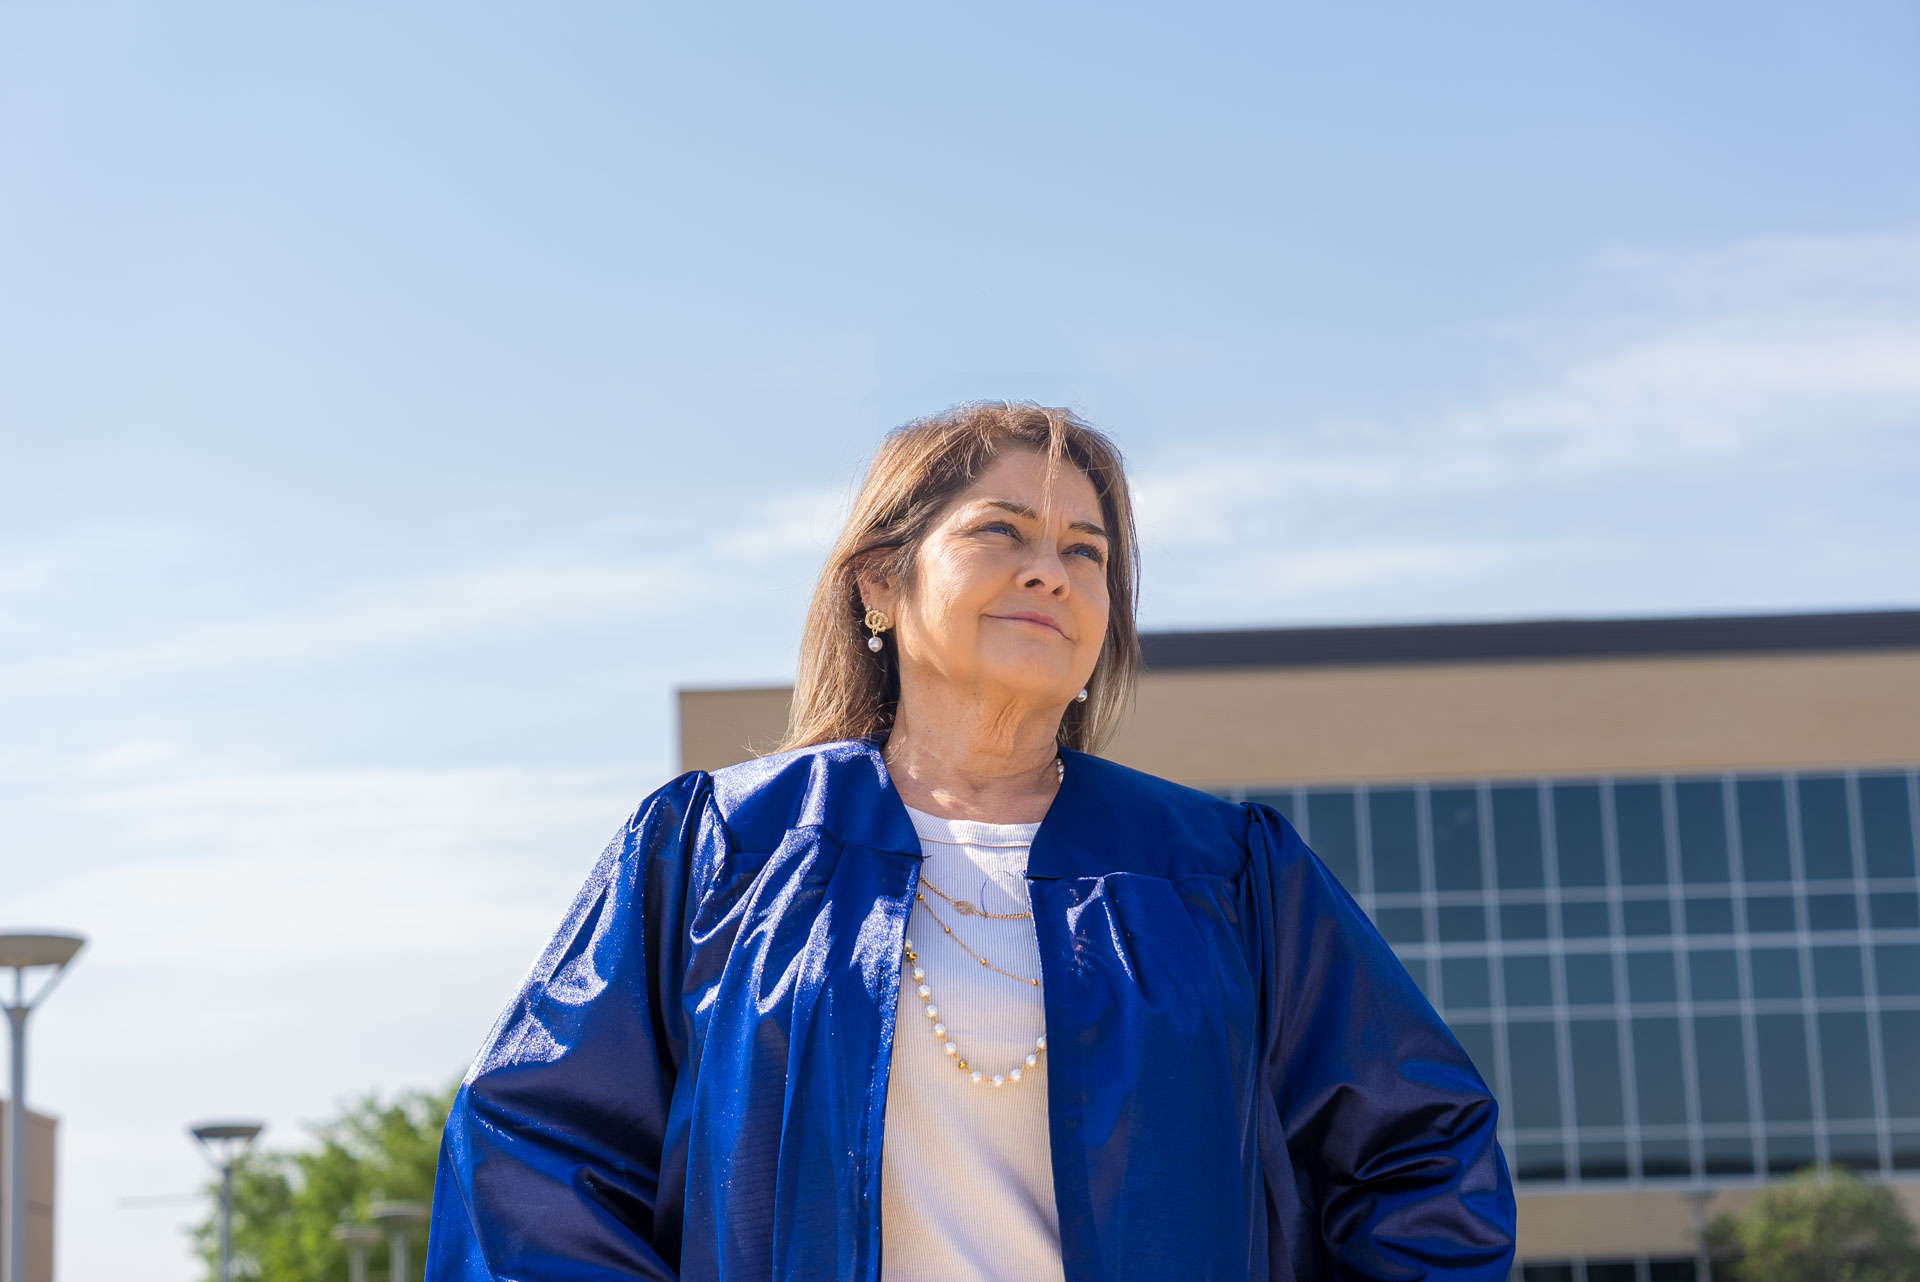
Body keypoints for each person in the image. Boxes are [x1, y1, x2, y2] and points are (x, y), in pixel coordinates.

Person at [426, 403, 1516, 1282]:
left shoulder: (1222, 873)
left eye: (1085, 551)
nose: (1051, 570)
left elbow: (1419, 1151)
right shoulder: (724, 852)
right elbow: (531, 1154)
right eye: (1002, 531)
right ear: (880, 582)